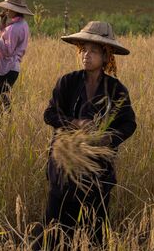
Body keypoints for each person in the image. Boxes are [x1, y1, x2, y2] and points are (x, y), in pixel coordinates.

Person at [42, 21, 137, 246]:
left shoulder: (116, 90)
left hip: (98, 174)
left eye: (94, 50)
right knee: (55, 232)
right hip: (64, 171)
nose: (86, 54)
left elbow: (129, 124)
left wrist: (107, 138)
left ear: (106, 57)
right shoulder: (68, 82)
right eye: (83, 49)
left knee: (94, 233)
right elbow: (49, 114)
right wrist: (75, 123)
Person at [0, 0, 32, 113]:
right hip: (11, 68)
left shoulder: (14, 28)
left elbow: (7, 51)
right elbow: (7, 41)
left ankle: (2, 122)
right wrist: (3, 25)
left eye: (8, 8)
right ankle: (7, 120)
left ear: (15, 11)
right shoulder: (22, 24)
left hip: (5, 68)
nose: (5, 10)